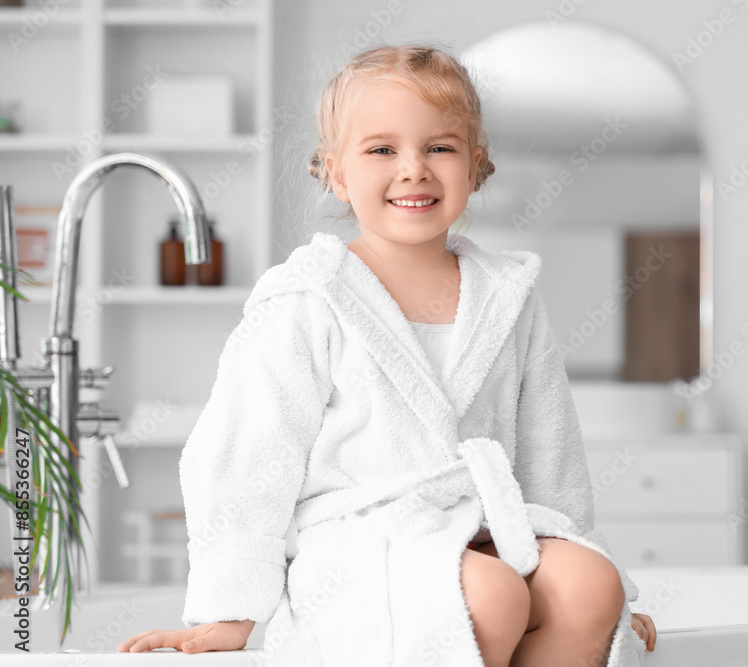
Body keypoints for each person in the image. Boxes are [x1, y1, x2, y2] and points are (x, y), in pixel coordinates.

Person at [118, 43, 656, 666]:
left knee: (590, 587)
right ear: (336, 172)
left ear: (476, 166)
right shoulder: (310, 298)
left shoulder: (507, 297)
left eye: (440, 147)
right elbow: (248, 455)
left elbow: (549, 451)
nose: (414, 170)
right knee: (490, 595)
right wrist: (229, 610)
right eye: (381, 150)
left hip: (489, 530)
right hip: (357, 544)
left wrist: (588, 555)